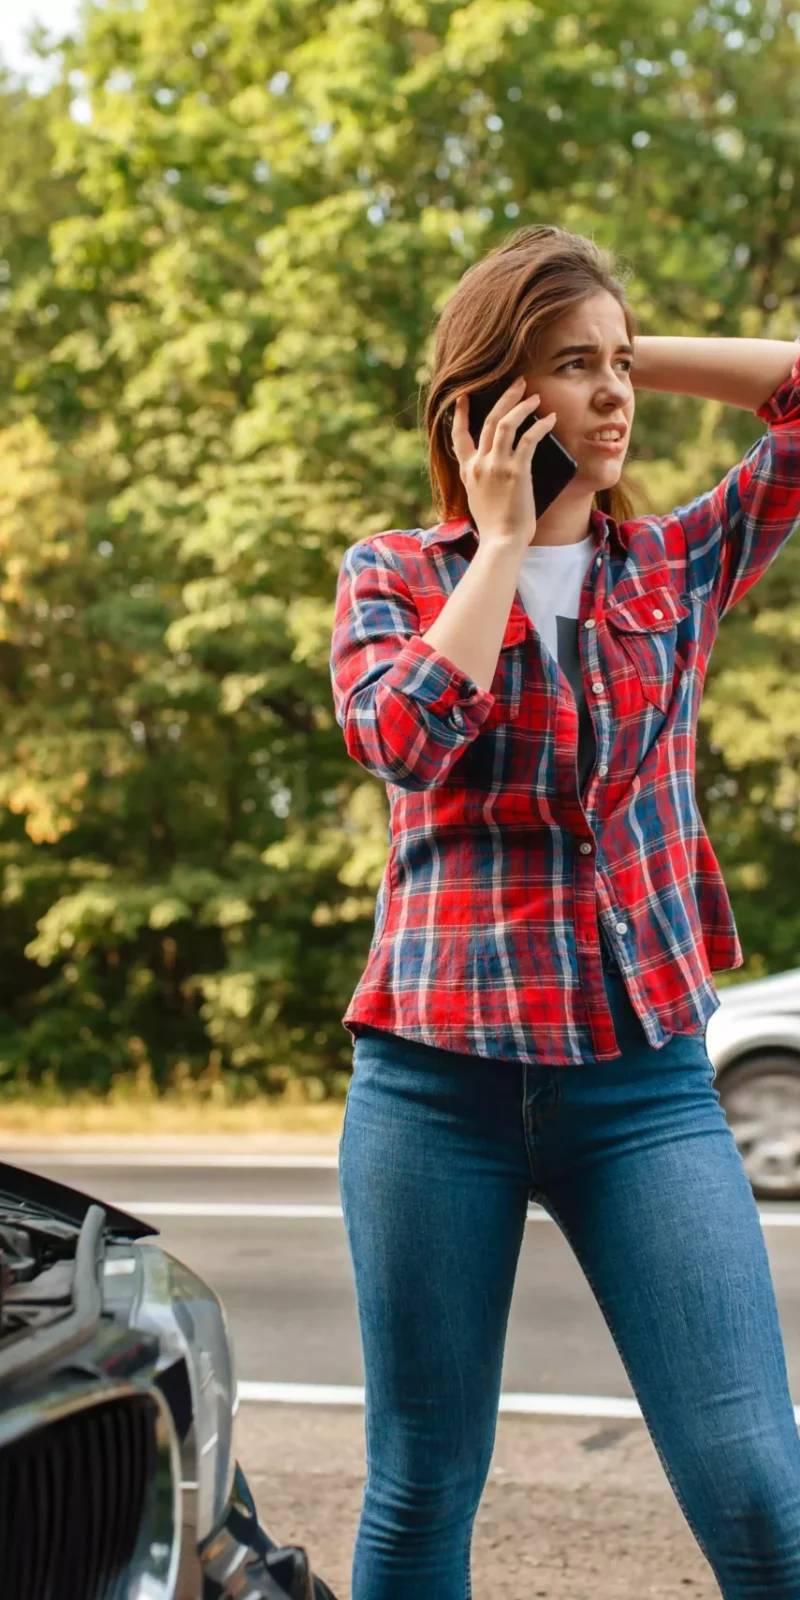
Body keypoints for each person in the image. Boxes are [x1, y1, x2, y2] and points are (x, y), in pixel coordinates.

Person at [328, 224, 800, 1599]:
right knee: (422, 1488)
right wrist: (503, 544)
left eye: (620, 366)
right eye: (570, 370)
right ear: (495, 395)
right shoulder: (396, 572)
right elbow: (398, 737)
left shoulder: (680, 564)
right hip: (434, 1087)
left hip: (641, 1084)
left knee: (763, 1496)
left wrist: (617, 345)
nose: (614, 395)